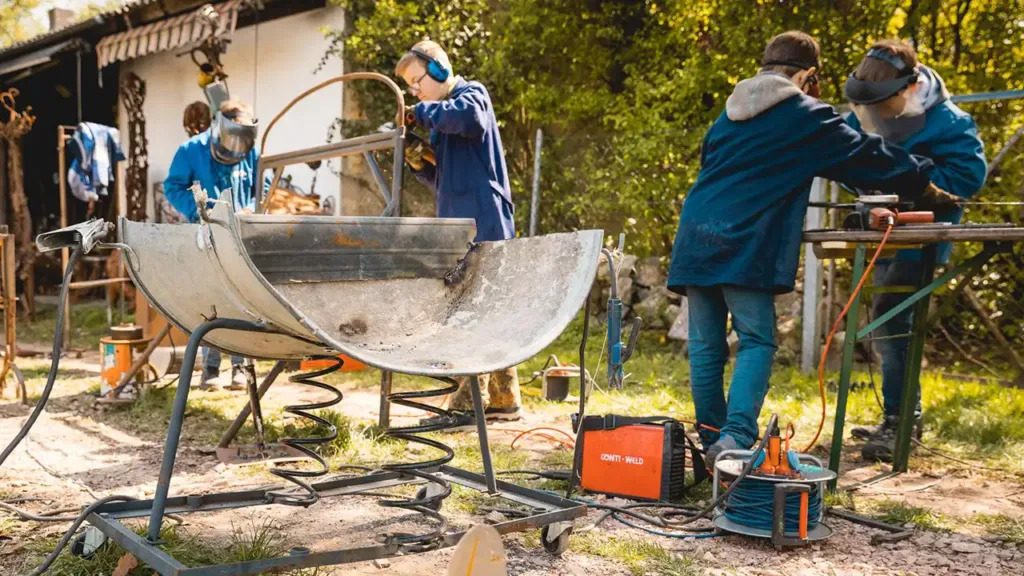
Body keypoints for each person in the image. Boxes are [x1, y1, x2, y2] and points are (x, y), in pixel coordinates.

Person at [666, 31, 960, 465]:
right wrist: (925, 183)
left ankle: (712, 441)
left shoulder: (726, 117)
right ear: (806, 75)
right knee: (757, 340)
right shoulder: (803, 114)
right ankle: (734, 442)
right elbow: (865, 154)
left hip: (696, 235)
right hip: (742, 241)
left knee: (707, 345)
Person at [844, 40, 987, 462]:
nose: (874, 116)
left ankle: (902, 419)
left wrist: (908, 178)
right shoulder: (870, 112)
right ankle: (900, 415)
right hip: (885, 232)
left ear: (909, 88)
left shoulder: (949, 121)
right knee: (889, 322)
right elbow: (855, 160)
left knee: (892, 319)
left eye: (882, 105)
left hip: (924, 236)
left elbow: (966, 179)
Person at [394, 40, 521, 427]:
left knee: (473, 311)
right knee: (484, 310)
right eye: (411, 89)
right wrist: (419, 162)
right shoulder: (444, 121)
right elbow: (446, 182)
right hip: (461, 223)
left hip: (485, 221)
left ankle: (469, 405)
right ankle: (504, 398)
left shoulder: (471, 95)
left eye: (418, 82)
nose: (417, 93)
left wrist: (422, 113)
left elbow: (470, 120)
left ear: (439, 69)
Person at [164, 99, 260, 390]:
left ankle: (241, 368)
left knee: (244, 301)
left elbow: (263, 185)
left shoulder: (250, 150)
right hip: (206, 236)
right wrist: (198, 210)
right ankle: (211, 368)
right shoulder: (190, 151)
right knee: (212, 300)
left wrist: (252, 208)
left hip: (241, 238)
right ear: (219, 126)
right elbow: (173, 187)